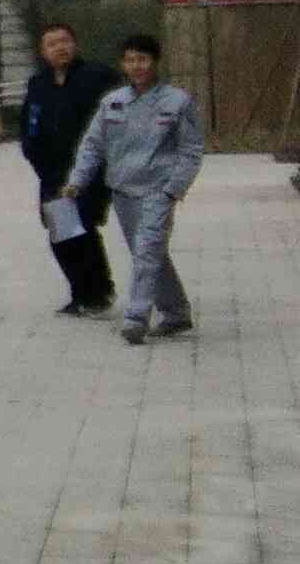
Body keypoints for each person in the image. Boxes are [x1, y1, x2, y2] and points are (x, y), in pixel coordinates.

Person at [67, 33, 204, 345]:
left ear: (155, 62)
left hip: (158, 191)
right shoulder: (112, 102)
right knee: (150, 254)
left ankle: (136, 318)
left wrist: (174, 189)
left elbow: (191, 150)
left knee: (147, 252)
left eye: (143, 59)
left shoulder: (177, 102)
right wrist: (77, 181)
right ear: (123, 64)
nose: (137, 66)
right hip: (123, 193)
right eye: (130, 60)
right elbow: (92, 146)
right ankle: (176, 313)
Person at [16, 23, 117, 318]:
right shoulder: (38, 84)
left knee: (83, 230)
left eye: (65, 41)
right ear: (43, 51)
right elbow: (28, 123)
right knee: (62, 237)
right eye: (52, 43)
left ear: (75, 44)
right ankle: (80, 294)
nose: (60, 47)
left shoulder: (98, 77)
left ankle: (99, 293)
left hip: (89, 172)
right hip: (53, 173)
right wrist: (33, 153)